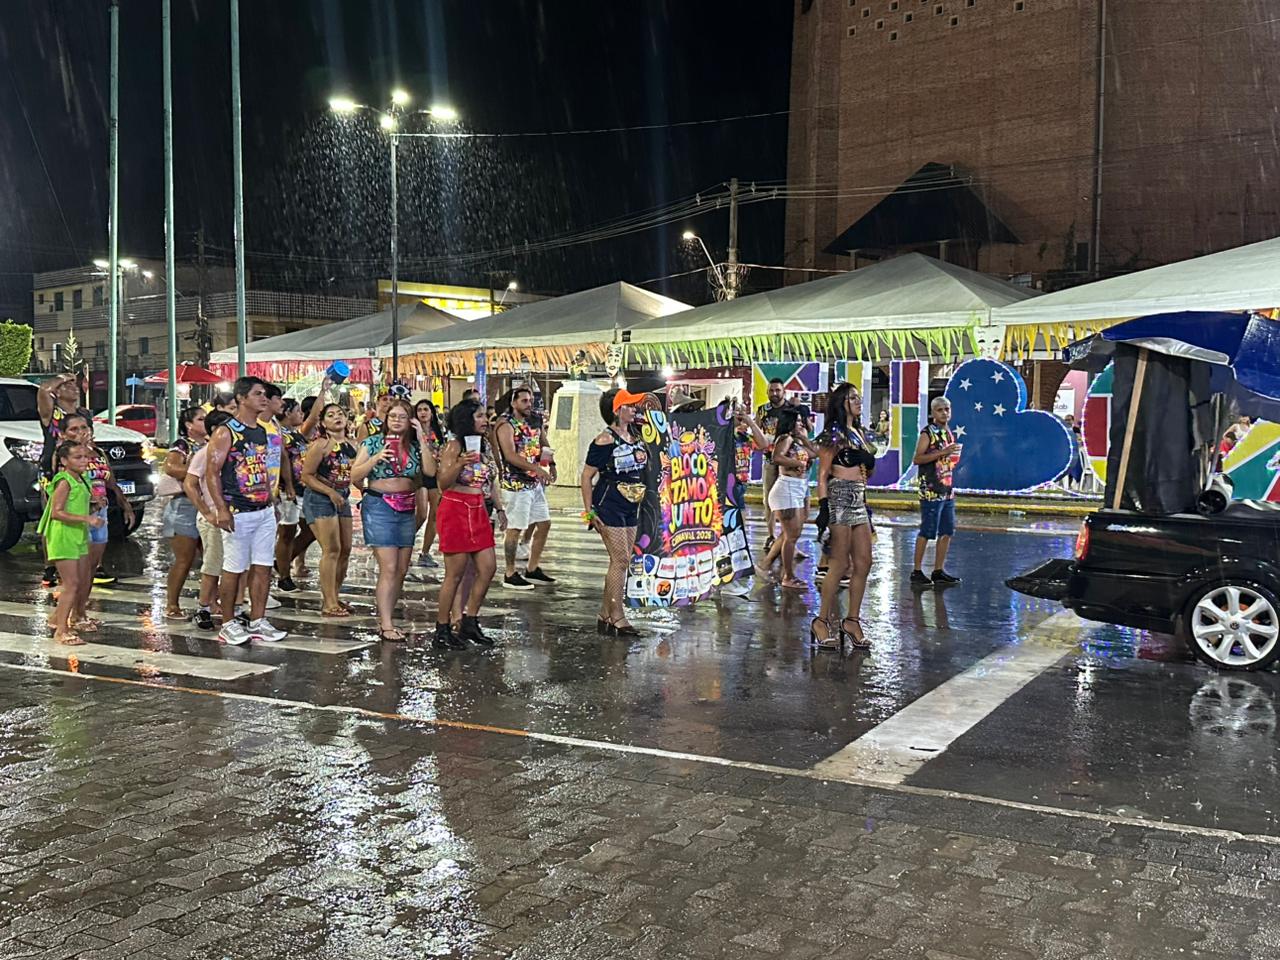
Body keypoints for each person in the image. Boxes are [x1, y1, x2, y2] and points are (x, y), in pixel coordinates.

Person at [205, 376, 286, 645]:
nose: (263, 398)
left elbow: (263, 470)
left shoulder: (262, 431)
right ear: (241, 398)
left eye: (265, 394)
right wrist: (221, 509)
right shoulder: (226, 432)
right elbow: (212, 473)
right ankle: (228, 622)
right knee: (234, 567)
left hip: (263, 508)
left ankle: (258, 619)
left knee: (263, 566)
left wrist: (271, 502)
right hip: (237, 509)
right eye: (257, 394)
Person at [351, 398, 426, 642]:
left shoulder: (415, 446)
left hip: (406, 506)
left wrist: (422, 437)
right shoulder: (372, 442)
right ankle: (385, 624)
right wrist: (375, 459)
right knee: (389, 567)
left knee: (402, 569)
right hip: (379, 506)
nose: (396, 420)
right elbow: (354, 476)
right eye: (392, 416)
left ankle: (387, 617)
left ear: (410, 421)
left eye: (402, 417)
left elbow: (430, 473)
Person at [812, 382, 878, 650]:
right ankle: (822, 621)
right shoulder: (833, 435)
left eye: (859, 397)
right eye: (853, 397)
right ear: (842, 402)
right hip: (839, 496)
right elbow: (823, 474)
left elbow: (866, 470)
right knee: (838, 563)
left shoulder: (858, 433)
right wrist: (824, 506)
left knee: (864, 562)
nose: (859, 401)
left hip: (860, 497)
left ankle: (852, 620)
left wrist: (868, 461)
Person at [434, 399, 504, 650]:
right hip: (455, 507)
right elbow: (442, 482)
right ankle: (442, 628)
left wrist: (500, 507)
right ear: (467, 420)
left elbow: (491, 480)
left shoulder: (484, 445)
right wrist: (460, 463)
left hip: (478, 508)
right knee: (455, 574)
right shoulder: (454, 445)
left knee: (488, 567)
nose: (485, 420)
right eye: (480, 416)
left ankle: (469, 620)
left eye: (485, 415)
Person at [580, 389, 649, 637]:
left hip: (632, 505)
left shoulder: (636, 436)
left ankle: (604, 614)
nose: (634, 409)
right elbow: (587, 477)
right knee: (620, 561)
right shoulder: (604, 440)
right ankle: (617, 616)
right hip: (609, 504)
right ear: (617, 410)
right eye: (629, 406)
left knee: (622, 561)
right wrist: (589, 512)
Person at [38, 441, 103, 645]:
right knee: (71, 584)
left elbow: (75, 508)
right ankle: (61, 630)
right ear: (64, 461)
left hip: (78, 535)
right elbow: (57, 513)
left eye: (85, 457)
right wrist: (88, 519)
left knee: (82, 580)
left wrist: (93, 508)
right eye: (77, 457)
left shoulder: (81, 479)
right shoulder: (64, 481)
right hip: (63, 536)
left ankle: (58, 618)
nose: (84, 461)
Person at [496, 387, 556, 590]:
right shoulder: (506, 425)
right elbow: (510, 456)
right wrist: (538, 469)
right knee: (515, 528)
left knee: (544, 523)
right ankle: (510, 572)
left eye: (530, 400)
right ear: (513, 403)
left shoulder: (535, 420)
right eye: (524, 401)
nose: (529, 404)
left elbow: (543, 442)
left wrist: (551, 464)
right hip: (515, 484)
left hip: (534, 483)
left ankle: (532, 568)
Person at [300, 403, 356, 618]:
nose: (337, 418)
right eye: (330, 415)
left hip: (342, 498)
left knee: (346, 549)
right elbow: (306, 476)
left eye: (340, 414)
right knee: (331, 549)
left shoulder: (353, 445)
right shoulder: (320, 445)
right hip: (320, 499)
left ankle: (335, 594)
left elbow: (355, 474)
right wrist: (329, 492)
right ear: (323, 423)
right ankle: (328, 602)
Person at [37, 373, 92, 587]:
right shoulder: (52, 414)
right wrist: (62, 377)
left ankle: (81, 560)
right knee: (55, 516)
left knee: (80, 512)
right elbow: (43, 390)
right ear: (57, 391)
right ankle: (50, 565)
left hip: (80, 469)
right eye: (67, 386)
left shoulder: (83, 414)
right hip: (54, 471)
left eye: (75, 385)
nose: (74, 388)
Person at [757, 407, 817, 590]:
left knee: (790, 534)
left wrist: (804, 438)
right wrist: (797, 463)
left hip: (797, 489)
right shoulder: (785, 439)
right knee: (791, 536)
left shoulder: (797, 440)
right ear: (790, 422)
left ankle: (765, 565)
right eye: (797, 421)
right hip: (787, 489)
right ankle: (788, 577)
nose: (801, 423)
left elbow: (814, 453)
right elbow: (776, 457)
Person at [184, 411, 232, 630]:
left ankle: (221, 605)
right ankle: (203, 607)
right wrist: (207, 513)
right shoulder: (205, 453)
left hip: (232, 516)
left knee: (230, 566)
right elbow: (190, 483)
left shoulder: (232, 451)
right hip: (213, 518)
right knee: (212, 565)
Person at [159, 406, 208, 619]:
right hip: (185, 506)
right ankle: (172, 604)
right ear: (189, 425)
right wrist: (200, 474)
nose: (205, 422)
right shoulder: (182, 445)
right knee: (184, 559)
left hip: (206, 504)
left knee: (211, 558)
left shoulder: (210, 443)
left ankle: (208, 601)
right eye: (200, 419)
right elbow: (170, 467)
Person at [911, 396, 962, 587]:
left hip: (947, 487)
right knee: (927, 530)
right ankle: (917, 570)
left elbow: (947, 457)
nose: (945, 413)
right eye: (940, 410)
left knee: (947, 530)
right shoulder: (927, 433)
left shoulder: (948, 432)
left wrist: (952, 457)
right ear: (933, 413)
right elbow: (917, 458)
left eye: (947, 409)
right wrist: (942, 453)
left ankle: (938, 570)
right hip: (931, 489)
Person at [721, 400, 768, 599]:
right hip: (726, 488)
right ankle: (726, 580)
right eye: (736, 412)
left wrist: (749, 421)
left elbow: (764, 444)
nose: (739, 415)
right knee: (727, 535)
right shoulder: (724, 435)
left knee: (737, 535)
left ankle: (732, 576)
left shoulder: (744, 436)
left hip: (740, 487)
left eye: (742, 411)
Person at [80, 421, 133, 589]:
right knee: (83, 549)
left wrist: (125, 504)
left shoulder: (100, 453)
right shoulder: (70, 454)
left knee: (99, 542)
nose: (83, 432)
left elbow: (110, 481)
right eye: (76, 429)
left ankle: (97, 569)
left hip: (101, 507)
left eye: (85, 428)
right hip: (82, 509)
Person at [275, 398, 311, 593]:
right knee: (287, 533)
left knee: (310, 530)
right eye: (297, 410)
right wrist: (287, 484)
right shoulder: (279, 434)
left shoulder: (296, 434)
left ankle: (281, 562)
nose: (301, 414)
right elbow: (281, 461)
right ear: (287, 412)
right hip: (288, 491)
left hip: (304, 489)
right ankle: (283, 576)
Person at [755, 378, 788, 547]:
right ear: (767, 393)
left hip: (787, 461)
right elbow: (756, 430)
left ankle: (786, 536)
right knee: (768, 498)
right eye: (772, 391)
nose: (775, 393)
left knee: (786, 500)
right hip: (769, 459)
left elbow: (806, 428)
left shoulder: (791, 409)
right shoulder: (762, 411)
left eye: (778, 390)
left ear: (784, 392)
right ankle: (771, 535)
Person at [413, 399, 445, 569]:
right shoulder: (412, 432)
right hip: (418, 476)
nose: (423, 413)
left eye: (426, 409)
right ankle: (404, 543)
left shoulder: (438, 432)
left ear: (431, 412)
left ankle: (425, 553)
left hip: (435, 475)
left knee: (434, 515)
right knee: (422, 514)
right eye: (419, 410)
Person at [1063, 414, 1084, 490]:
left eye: (1069, 420)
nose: (1067, 421)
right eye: (1066, 420)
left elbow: (1080, 440)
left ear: (1072, 421)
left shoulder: (1076, 430)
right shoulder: (1062, 429)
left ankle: (1076, 480)